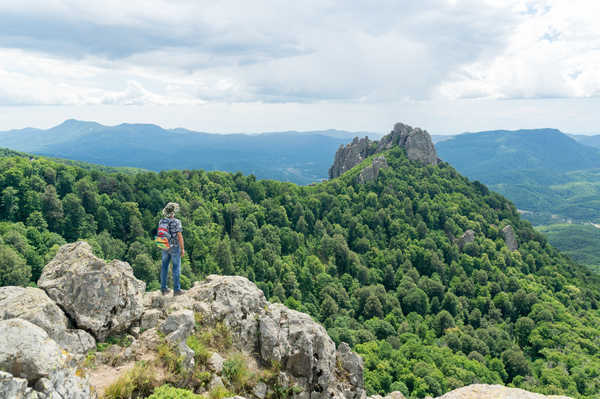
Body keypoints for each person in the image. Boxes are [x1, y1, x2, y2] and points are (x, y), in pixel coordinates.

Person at [160, 202, 185, 296]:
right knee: (176, 268)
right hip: (174, 247)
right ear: (173, 212)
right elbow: (180, 236)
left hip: (164, 245)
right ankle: (177, 290)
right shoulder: (176, 222)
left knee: (164, 267)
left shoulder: (162, 221)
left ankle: (163, 289)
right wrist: (182, 249)